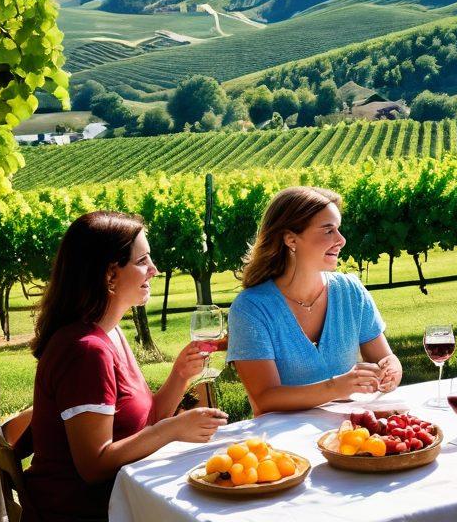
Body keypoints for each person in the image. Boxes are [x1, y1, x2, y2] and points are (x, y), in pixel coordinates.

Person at [26, 211, 228, 522]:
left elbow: (144, 424)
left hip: (123, 496)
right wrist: (173, 430)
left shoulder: (110, 333)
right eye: (142, 261)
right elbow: (94, 467)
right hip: (90, 511)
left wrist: (180, 376)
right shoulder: (85, 352)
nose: (155, 270)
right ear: (110, 276)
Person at [228, 186, 403, 414]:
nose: (341, 240)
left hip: (348, 435)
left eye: (338, 229)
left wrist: (392, 368)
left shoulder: (351, 291)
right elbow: (265, 398)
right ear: (291, 239)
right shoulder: (251, 308)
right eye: (328, 230)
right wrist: (336, 387)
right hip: (281, 442)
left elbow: (384, 358)